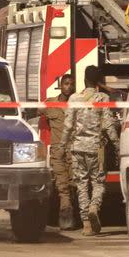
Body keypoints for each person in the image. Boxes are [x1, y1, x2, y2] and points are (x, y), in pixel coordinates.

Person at [59, 66, 120, 236]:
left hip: (77, 148)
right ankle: (94, 207)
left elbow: (68, 125)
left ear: (84, 79)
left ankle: (86, 224)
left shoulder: (74, 98)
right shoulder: (103, 98)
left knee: (82, 184)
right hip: (96, 149)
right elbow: (108, 125)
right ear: (98, 81)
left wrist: (62, 146)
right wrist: (117, 145)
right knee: (98, 183)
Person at [42, 74, 76, 230]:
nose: (68, 87)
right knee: (62, 185)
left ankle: (71, 214)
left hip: (73, 150)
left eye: (71, 84)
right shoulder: (51, 104)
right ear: (61, 85)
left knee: (73, 184)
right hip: (58, 151)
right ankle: (65, 215)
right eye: (66, 84)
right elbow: (31, 112)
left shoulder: (77, 104)